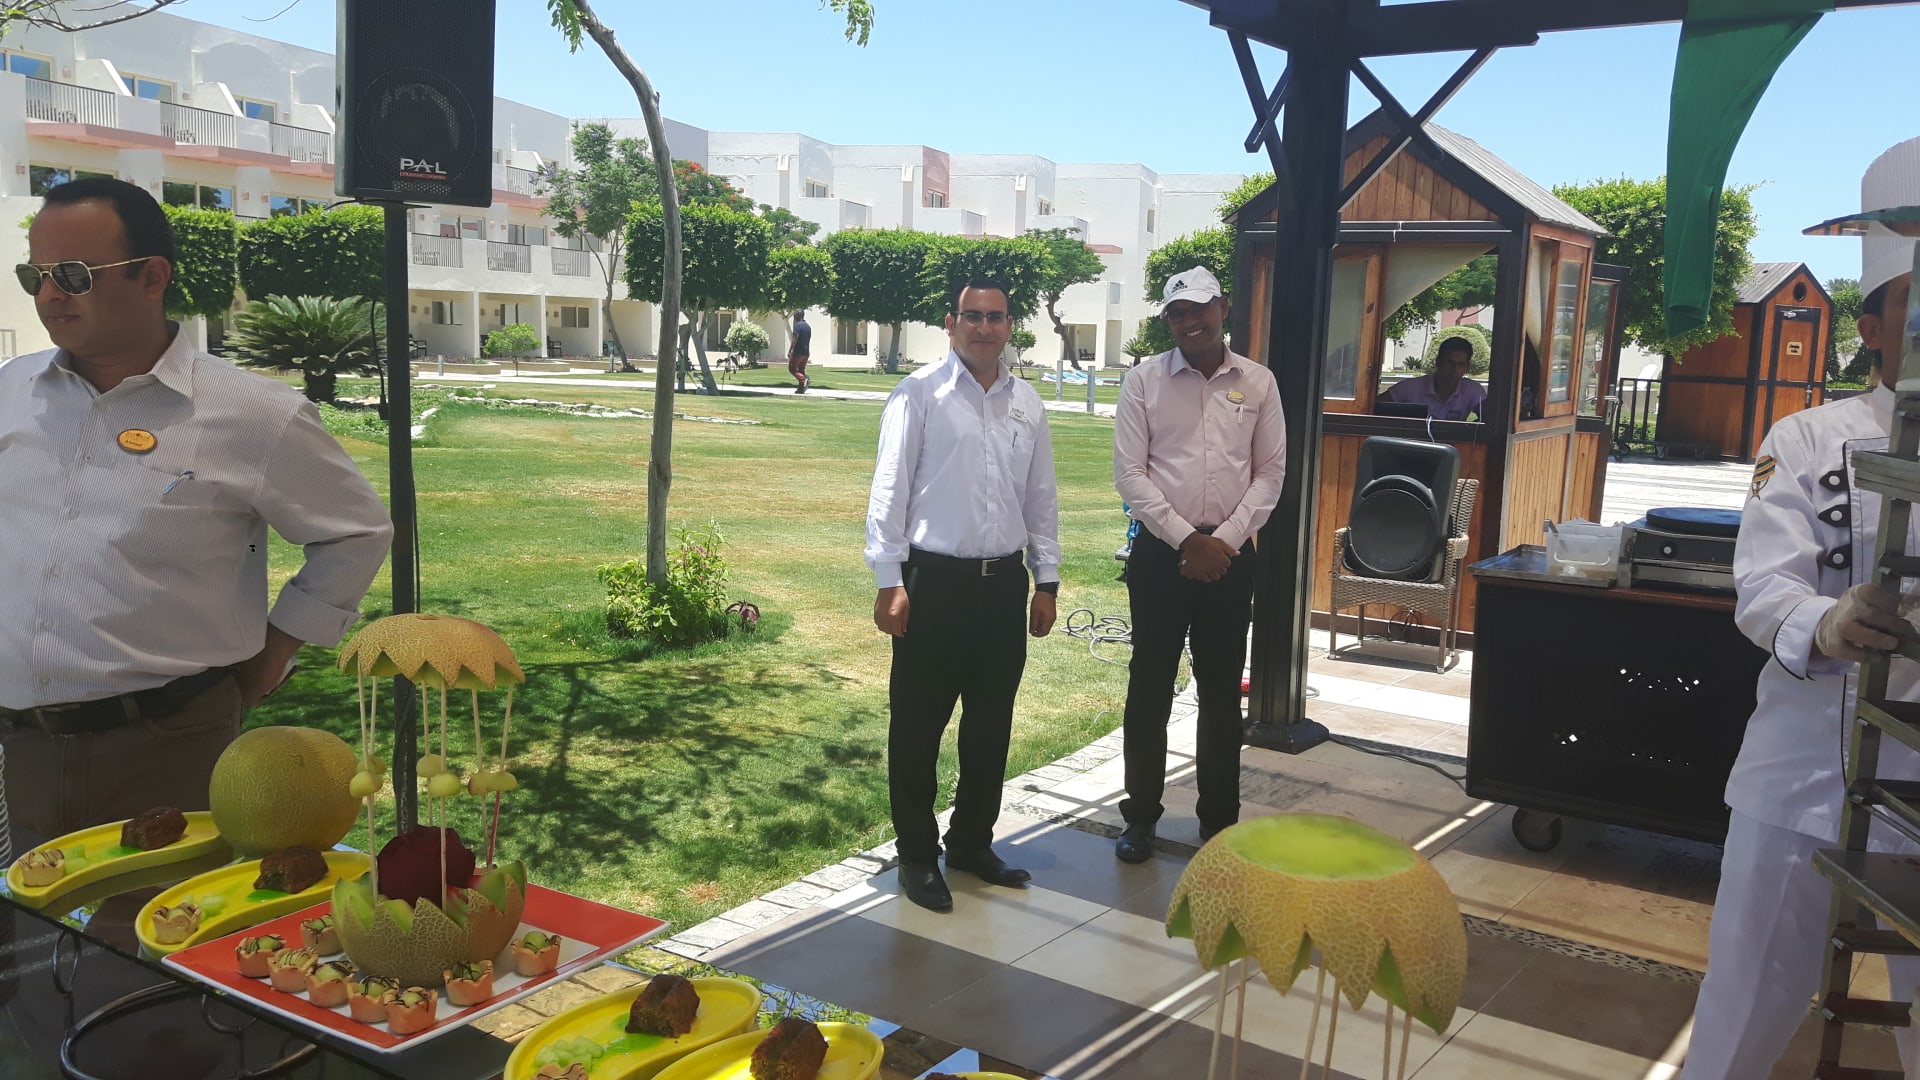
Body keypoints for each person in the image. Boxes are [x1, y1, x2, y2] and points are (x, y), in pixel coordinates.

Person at [0, 178, 393, 842]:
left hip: (167, 743)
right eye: (34, 275)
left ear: (151, 277)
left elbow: (356, 533)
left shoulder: (254, 414)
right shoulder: (11, 390)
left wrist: (277, 649)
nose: (48, 295)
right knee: (35, 909)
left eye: (72, 275)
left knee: (160, 909)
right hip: (22, 750)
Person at [1681, 137, 1920, 1079]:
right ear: (1874, 326)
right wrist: (1825, 622)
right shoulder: (1810, 437)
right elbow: (1764, 586)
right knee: (1742, 1007)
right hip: (1804, 771)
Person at [865, 277, 1060, 912]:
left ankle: (972, 843)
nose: (984, 327)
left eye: (995, 317)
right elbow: (889, 490)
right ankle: (918, 856)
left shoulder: (1027, 403)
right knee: (918, 728)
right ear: (951, 324)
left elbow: (1041, 498)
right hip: (934, 586)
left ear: (1010, 326)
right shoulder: (919, 394)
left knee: (990, 727)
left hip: (1002, 587)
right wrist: (889, 581)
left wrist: (1046, 580)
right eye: (972, 316)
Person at [1112, 265, 1286, 863]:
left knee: (1219, 693)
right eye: (1177, 313)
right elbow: (1130, 474)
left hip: (1230, 558)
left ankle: (1219, 821)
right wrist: (1188, 540)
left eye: (1198, 308)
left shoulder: (1258, 383)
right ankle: (1140, 816)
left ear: (1223, 307)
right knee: (1149, 687)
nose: (1189, 321)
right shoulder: (1143, 381)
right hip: (1161, 556)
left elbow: (1270, 474)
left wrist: (1224, 541)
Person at [1381, 334, 1485, 420]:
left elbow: (1490, 420)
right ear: (1438, 362)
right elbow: (1375, 406)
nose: (1454, 369)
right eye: (1450, 362)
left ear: (1467, 367)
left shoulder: (1473, 390)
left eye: (1460, 364)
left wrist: (1468, 431)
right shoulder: (1410, 387)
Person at [789, 310, 812, 393]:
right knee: (801, 369)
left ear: (798, 316)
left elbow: (795, 339)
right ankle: (801, 389)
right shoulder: (808, 326)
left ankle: (804, 379)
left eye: (795, 315)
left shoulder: (797, 325)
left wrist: (790, 350)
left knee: (792, 369)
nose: (794, 316)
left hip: (798, 352)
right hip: (806, 352)